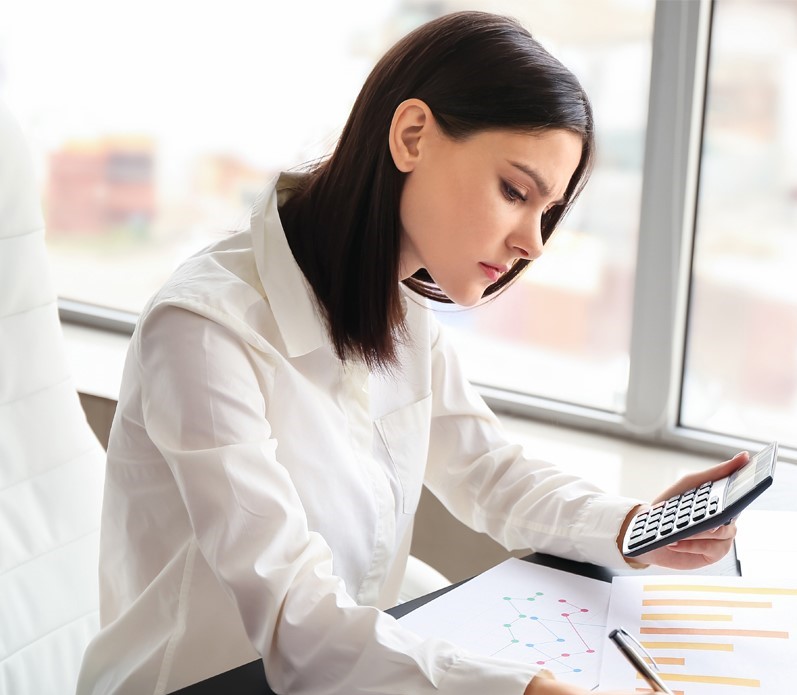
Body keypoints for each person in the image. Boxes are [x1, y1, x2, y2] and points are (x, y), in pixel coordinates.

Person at [76, 11, 744, 695]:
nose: (533, 243)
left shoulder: (398, 311)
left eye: (546, 211)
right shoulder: (205, 331)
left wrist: (636, 526)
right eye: (515, 191)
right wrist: (524, 689)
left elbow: (488, 471)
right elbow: (296, 621)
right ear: (412, 136)